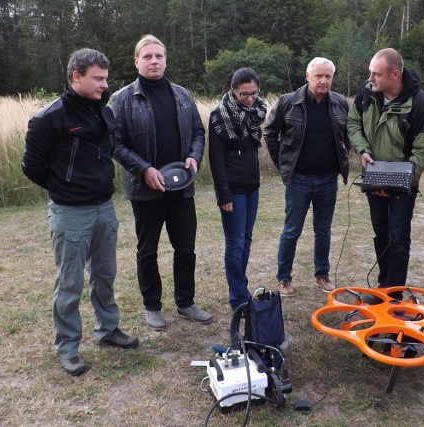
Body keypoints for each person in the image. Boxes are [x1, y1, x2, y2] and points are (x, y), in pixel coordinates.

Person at [22, 48, 139, 377]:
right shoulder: (49, 118)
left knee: (105, 274)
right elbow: (32, 167)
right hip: (70, 212)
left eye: (106, 77)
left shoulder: (104, 112)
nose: (105, 84)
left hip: (104, 208)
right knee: (70, 282)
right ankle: (68, 346)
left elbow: (109, 150)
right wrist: (65, 187)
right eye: (98, 78)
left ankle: (108, 330)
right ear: (77, 77)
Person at [110, 35, 212, 330]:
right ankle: (152, 306)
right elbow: (115, 144)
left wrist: (194, 156)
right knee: (147, 250)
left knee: (186, 248)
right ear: (136, 61)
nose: (154, 61)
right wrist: (144, 170)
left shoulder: (182, 95)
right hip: (145, 191)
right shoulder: (123, 99)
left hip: (181, 188)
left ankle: (186, 302)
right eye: (147, 57)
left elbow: (197, 131)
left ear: (165, 60)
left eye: (159, 56)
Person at [347, 48, 424, 299]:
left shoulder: (420, 103)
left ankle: (394, 294)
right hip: (372, 176)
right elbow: (353, 123)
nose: (370, 78)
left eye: (376, 73)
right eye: (370, 72)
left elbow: (423, 151)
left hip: (403, 185)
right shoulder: (367, 93)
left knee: (398, 239)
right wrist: (362, 150)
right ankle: (383, 286)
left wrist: (398, 184)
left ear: (395, 74)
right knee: (381, 233)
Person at [264, 57, 350, 297]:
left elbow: (347, 136)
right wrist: (282, 164)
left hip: (327, 180)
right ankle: (284, 279)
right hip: (298, 179)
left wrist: (341, 160)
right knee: (291, 231)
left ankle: (322, 275)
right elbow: (270, 132)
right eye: (318, 76)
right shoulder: (288, 102)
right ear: (307, 76)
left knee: (323, 230)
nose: (323, 81)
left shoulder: (340, 104)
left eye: (328, 76)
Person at [208, 68, 267, 310]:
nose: (250, 99)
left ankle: (240, 287)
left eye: (254, 93)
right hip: (232, 189)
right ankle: (238, 298)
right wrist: (224, 194)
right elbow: (216, 158)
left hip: (252, 185)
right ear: (232, 90)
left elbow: (252, 146)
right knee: (235, 241)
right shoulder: (219, 116)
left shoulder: (256, 112)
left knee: (246, 239)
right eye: (244, 95)